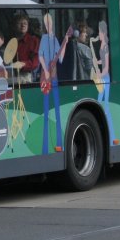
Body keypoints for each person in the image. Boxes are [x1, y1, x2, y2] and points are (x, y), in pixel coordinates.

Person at [37, 13, 69, 155]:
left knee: (57, 111)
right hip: (46, 77)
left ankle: (59, 144)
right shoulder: (44, 38)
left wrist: (65, 43)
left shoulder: (55, 39)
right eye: (46, 23)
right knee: (45, 111)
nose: (48, 25)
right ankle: (45, 147)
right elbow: (40, 55)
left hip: (54, 78)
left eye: (49, 22)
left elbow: (60, 58)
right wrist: (45, 70)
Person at [94, 20, 113, 135]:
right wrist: (97, 62)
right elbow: (103, 61)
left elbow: (106, 67)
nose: (98, 34)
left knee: (105, 106)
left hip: (105, 79)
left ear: (103, 32)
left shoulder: (105, 46)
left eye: (99, 32)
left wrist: (99, 75)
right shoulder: (102, 44)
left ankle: (111, 134)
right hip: (102, 78)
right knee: (99, 104)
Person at [13, 12, 40, 83]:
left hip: (25, 76)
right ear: (14, 26)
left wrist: (22, 64)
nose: (23, 25)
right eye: (20, 23)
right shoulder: (10, 40)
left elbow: (35, 62)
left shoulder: (33, 41)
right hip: (9, 74)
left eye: (25, 23)